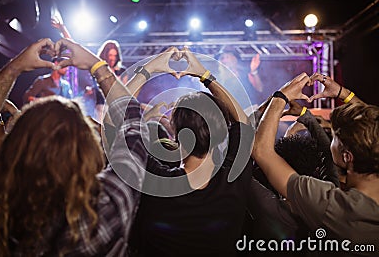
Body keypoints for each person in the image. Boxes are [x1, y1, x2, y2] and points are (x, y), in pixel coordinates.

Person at [0, 38, 153, 256]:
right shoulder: (101, 213)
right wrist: (95, 64)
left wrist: (15, 68)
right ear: (87, 150)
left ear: (15, 146)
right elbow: (133, 124)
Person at [130, 47, 255, 256]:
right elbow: (243, 122)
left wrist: (150, 68)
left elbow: (118, 113)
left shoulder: (154, 180)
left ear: (176, 134)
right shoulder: (234, 177)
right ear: (221, 133)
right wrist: (203, 75)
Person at [252, 73, 379, 256]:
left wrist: (280, 97)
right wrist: (343, 94)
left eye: (335, 137)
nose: (331, 138)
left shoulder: (334, 206)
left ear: (347, 156)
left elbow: (261, 151)